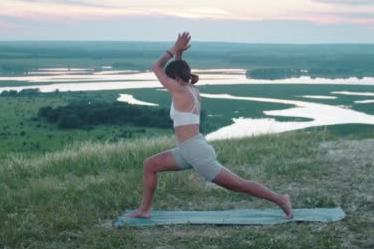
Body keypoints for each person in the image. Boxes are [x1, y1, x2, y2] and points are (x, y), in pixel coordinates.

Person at [124, 32, 293, 219]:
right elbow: (179, 70)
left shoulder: (179, 89)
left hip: (195, 151)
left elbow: (157, 66)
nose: (168, 82)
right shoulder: (192, 89)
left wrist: (174, 48)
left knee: (238, 185)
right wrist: (180, 54)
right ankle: (144, 210)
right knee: (150, 165)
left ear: (175, 79)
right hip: (189, 148)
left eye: (170, 79)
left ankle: (280, 199)